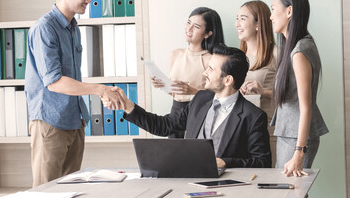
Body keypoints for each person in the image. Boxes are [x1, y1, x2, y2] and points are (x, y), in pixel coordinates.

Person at [25, 0, 125, 187]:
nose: (89, 0)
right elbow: (53, 82)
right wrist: (100, 89)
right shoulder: (44, 28)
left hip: (75, 120)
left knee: (71, 189)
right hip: (50, 122)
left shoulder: (73, 27)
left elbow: (73, 77)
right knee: (46, 191)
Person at [106, 45, 272, 168]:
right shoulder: (201, 99)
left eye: (211, 69)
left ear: (227, 80)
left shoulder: (254, 116)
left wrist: (225, 162)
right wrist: (127, 105)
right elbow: (164, 126)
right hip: (188, 179)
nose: (205, 73)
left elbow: (262, 162)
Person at [269, 0, 329, 177]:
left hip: (296, 138)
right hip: (290, 133)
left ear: (289, 11)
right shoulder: (295, 46)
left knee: (290, 192)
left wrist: (299, 152)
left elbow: (306, 106)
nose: (271, 17)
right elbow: (291, 93)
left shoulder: (299, 51)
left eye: (273, 9)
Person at [152, 7, 224, 138]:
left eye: (196, 26)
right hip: (175, 112)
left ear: (208, 33)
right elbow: (176, 93)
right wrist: (163, 85)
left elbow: (220, 96)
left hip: (199, 113)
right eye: (188, 22)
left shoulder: (213, 60)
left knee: (194, 155)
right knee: (174, 155)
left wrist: (193, 92)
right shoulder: (175, 54)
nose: (189, 28)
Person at [235, 0, 277, 166]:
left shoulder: (276, 54)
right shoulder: (236, 56)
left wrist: (263, 91)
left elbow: (292, 95)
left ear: (259, 24)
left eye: (243, 18)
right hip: (240, 131)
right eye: (236, 18)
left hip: (268, 131)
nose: (237, 24)